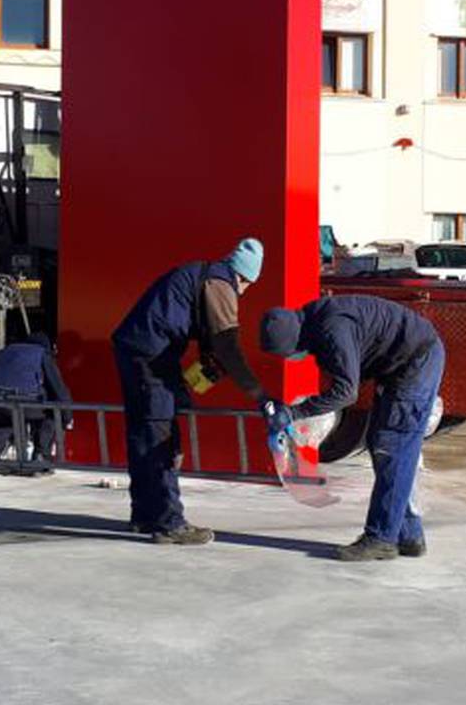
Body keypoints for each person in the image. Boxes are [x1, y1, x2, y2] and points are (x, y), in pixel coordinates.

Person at [259, 294, 445, 562]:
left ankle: (381, 538)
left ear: (293, 342)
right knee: (381, 443)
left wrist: (294, 413)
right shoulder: (314, 322)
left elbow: (346, 393)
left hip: (416, 362)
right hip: (400, 365)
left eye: (286, 353)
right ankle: (409, 534)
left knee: (392, 446)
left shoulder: (330, 329)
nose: (290, 358)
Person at [111, 237, 267, 544]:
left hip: (138, 349)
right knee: (161, 437)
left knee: (144, 433)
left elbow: (210, 340)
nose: (245, 292)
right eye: (249, 284)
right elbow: (228, 348)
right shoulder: (222, 284)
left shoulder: (204, 273)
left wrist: (201, 372)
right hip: (152, 356)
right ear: (244, 276)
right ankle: (170, 523)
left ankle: (144, 515)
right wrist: (261, 395)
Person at [0, 332, 73, 465]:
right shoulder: (42, 354)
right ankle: (41, 456)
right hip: (26, 400)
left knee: (5, 417)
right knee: (52, 410)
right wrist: (67, 417)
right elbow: (58, 389)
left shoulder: (6, 351)